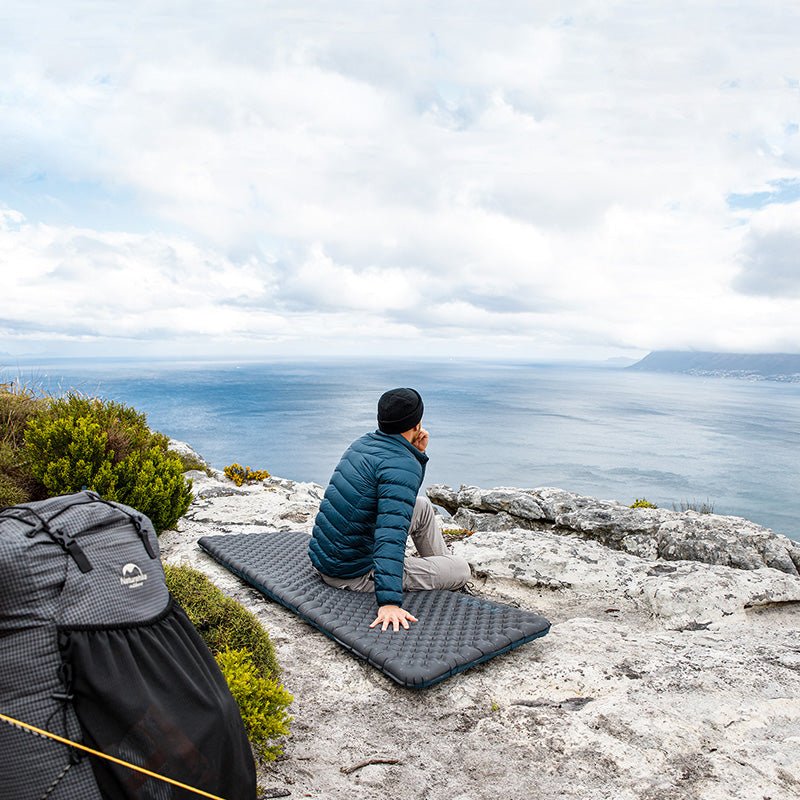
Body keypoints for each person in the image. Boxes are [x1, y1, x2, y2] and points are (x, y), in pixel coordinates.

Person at [308, 387, 471, 632]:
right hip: (353, 573)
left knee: (423, 506)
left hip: (334, 556)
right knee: (461, 569)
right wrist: (389, 603)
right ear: (416, 424)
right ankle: (443, 574)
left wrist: (416, 454)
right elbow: (390, 535)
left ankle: (438, 571)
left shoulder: (363, 443)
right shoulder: (401, 463)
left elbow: (399, 500)